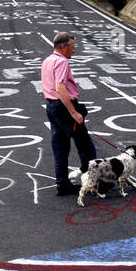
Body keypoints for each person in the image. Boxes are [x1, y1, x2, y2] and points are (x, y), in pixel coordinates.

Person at [42, 32, 96, 196]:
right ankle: (93, 181)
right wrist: (74, 113)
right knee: (85, 144)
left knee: (60, 146)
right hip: (64, 106)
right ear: (63, 47)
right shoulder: (62, 62)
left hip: (51, 106)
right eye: (72, 47)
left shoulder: (47, 61)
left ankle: (62, 183)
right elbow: (60, 88)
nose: (74, 50)